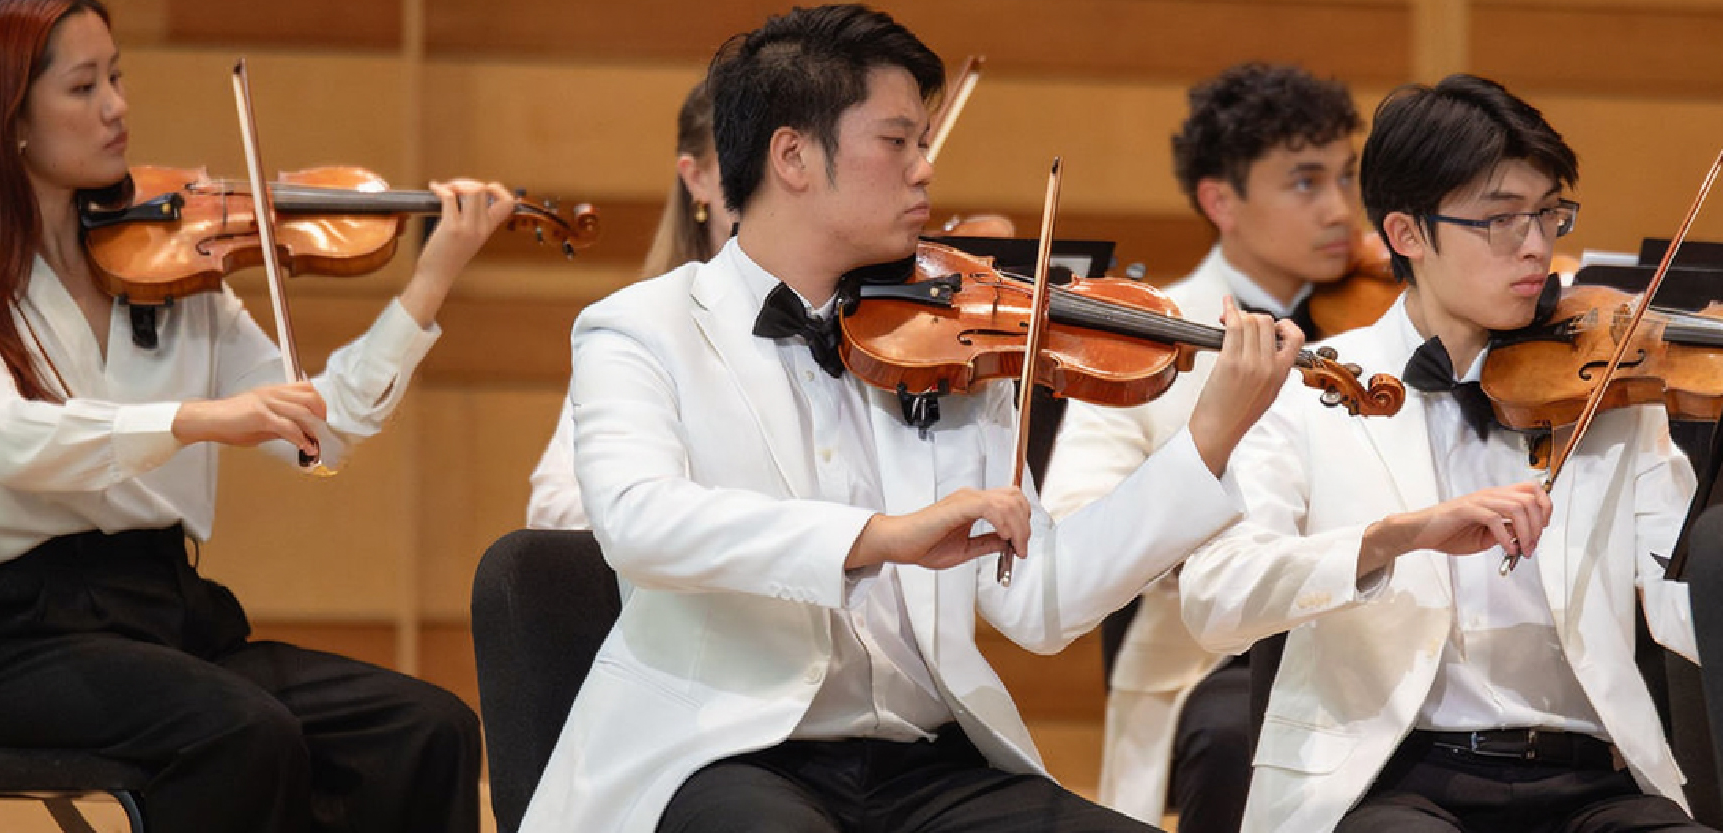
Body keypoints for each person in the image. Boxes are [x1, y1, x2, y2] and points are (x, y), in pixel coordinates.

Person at [515, 5, 1304, 831]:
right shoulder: (641, 327)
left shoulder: (953, 337)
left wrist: (1207, 440)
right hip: (720, 752)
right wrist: (880, 535)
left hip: (927, 764)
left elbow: (1038, 603)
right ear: (792, 156)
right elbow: (638, 521)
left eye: (925, 142)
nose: (926, 170)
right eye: (899, 142)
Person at [0, 2, 511, 831]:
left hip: (169, 620)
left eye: (117, 74)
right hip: (17, 641)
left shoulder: (178, 278)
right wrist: (196, 419)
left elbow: (322, 429)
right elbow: (7, 442)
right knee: (244, 735)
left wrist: (430, 280)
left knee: (429, 729)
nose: (117, 105)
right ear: (12, 122)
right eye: (83, 85)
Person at [1176, 73, 1711, 833]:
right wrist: (1394, 537)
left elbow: (1687, 609)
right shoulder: (1312, 387)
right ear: (1407, 234)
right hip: (1388, 778)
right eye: (1500, 221)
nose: (1537, 248)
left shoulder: (1609, 390)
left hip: (1591, 779)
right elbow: (1214, 598)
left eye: (1549, 214)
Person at [1039, 61, 1360, 833]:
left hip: (1361, 639)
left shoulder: (1380, 329)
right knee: (1236, 736)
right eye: (1305, 183)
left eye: (1348, 178)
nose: (1342, 209)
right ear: (1222, 201)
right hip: (1207, 661)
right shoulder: (1141, 331)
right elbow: (1074, 519)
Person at [527, 78, 734, 531]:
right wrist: (683, 499)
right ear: (697, 178)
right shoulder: (645, 328)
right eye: (744, 164)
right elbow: (551, 508)